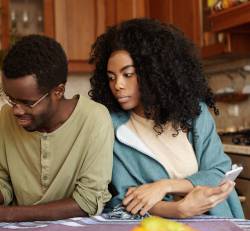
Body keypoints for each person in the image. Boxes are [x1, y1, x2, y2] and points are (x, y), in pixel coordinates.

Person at [89, 18, 244, 218]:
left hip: (219, 221)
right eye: (111, 77)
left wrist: (164, 187)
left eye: (128, 74)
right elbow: (124, 199)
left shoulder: (194, 113)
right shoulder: (112, 127)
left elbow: (219, 172)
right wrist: (178, 210)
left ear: (154, 72)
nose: (117, 84)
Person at [0, 34, 114, 222]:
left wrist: (9, 214)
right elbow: (4, 182)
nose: (16, 110)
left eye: (27, 103)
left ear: (58, 92)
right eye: (11, 99)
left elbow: (88, 201)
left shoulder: (94, 119)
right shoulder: (5, 117)